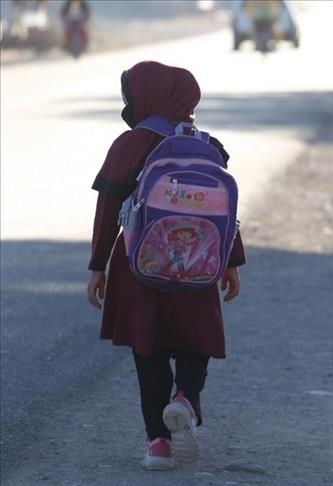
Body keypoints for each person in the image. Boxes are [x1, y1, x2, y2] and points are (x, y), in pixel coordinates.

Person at [86, 61, 245, 471]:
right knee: (195, 340)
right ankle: (186, 401)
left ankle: (158, 443)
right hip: (199, 261)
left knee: (149, 350)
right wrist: (231, 262)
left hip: (139, 264)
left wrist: (97, 266)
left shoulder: (129, 144)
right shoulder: (207, 145)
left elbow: (108, 209)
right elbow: (225, 212)